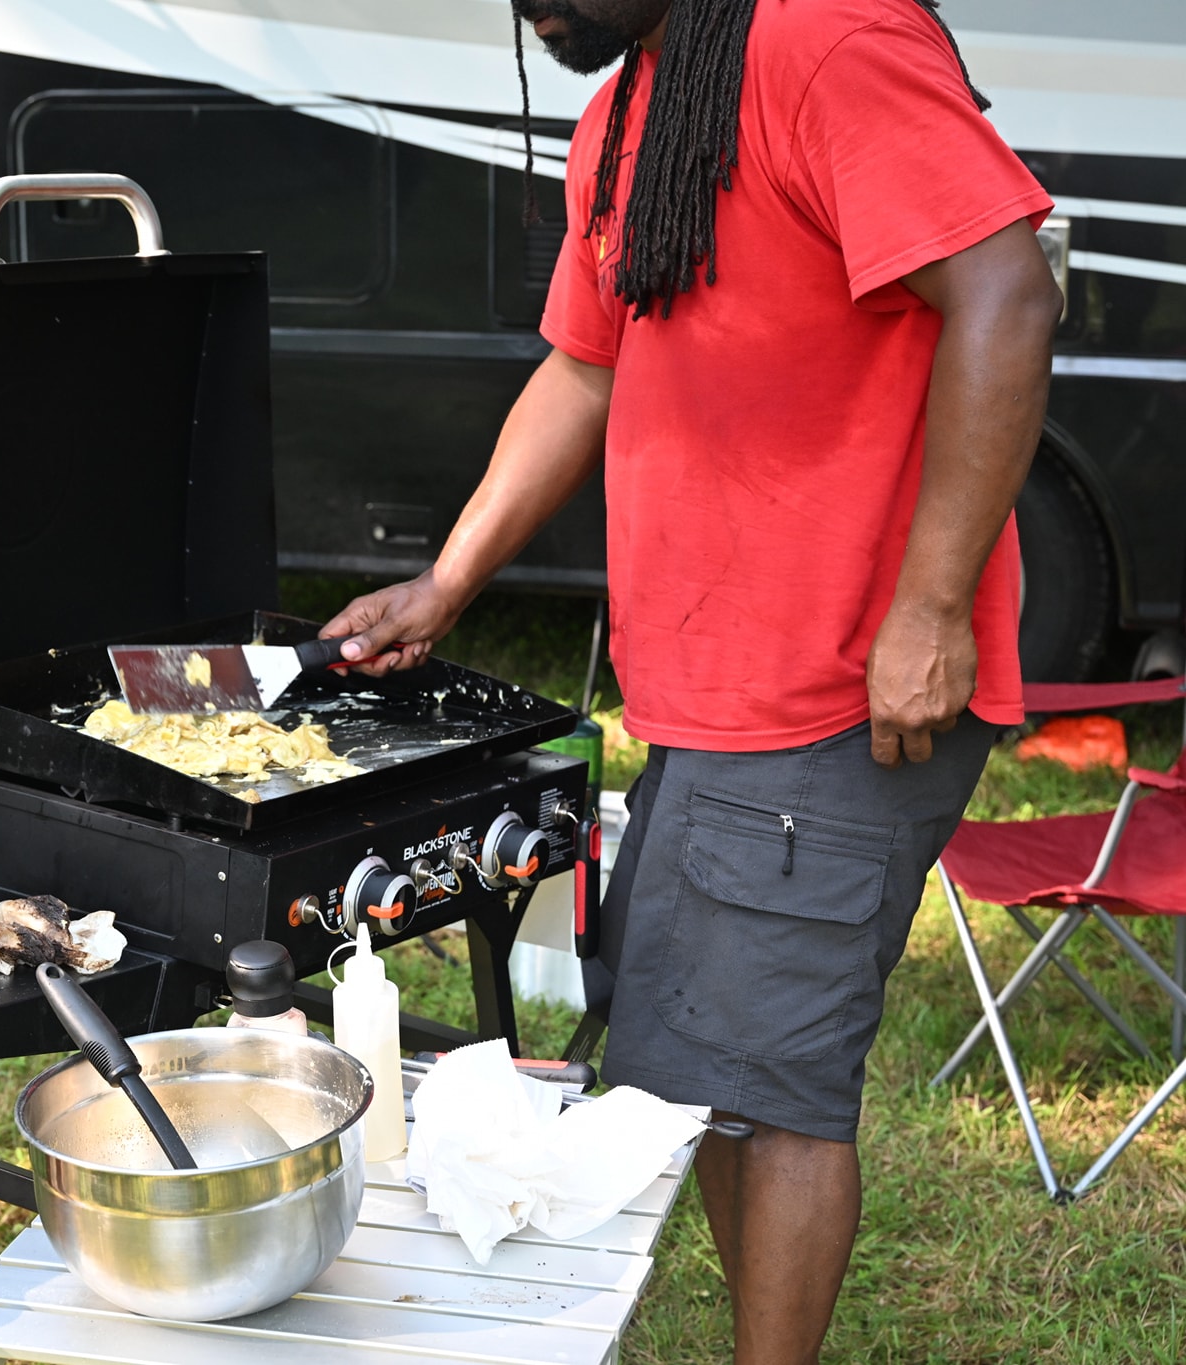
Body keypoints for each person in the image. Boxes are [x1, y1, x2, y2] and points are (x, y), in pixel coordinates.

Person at [324, 1, 1058, 1361]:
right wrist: (449, 580)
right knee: (698, 1074)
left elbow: (1008, 291)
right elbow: (585, 364)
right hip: (707, 696)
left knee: (771, 1092)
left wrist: (932, 605)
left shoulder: (827, 40)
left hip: (834, 685)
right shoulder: (632, 108)